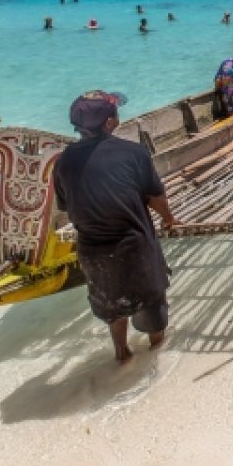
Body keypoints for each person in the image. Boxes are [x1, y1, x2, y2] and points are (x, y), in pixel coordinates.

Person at [53, 91, 178, 363]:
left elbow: (65, 205)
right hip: (134, 247)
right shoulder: (133, 153)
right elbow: (155, 198)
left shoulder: (63, 162)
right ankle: (155, 358)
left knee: (113, 307)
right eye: (114, 113)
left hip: (93, 252)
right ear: (109, 123)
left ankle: (122, 355)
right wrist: (169, 219)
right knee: (152, 310)